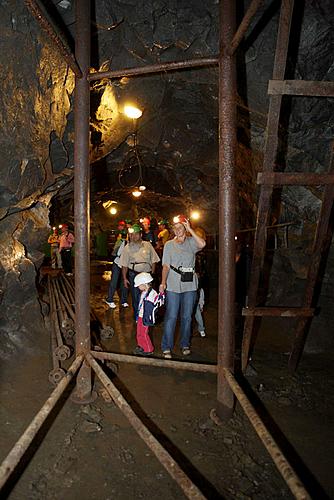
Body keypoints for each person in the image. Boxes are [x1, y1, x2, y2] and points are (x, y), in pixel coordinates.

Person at [159, 215, 206, 358]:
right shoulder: (168, 245)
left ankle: (185, 344)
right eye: (175, 227)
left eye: (181, 227)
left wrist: (190, 229)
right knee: (171, 316)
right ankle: (166, 346)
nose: (178, 230)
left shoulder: (192, 242)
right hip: (173, 283)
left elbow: (202, 244)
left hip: (190, 284)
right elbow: (166, 266)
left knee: (186, 317)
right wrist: (163, 282)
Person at [120, 223, 160, 316]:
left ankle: (148, 316)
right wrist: (125, 279)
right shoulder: (127, 248)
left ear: (140, 234)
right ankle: (137, 318)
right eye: (132, 234)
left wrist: (153, 274)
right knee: (136, 297)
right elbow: (124, 265)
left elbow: (154, 260)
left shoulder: (148, 245)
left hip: (147, 275)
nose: (134, 236)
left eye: (136, 234)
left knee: (149, 296)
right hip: (134, 274)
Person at [133, 272, 164, 356]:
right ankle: (141, 346)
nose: (138, 287)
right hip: (140, 315)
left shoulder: (152, 293)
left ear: (145, 284)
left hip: (146, 318)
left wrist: (161, 294)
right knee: (139, 333)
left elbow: (159, 302)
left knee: (144, 333)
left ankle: (148, 349)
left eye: (139, 285)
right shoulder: (144, 292)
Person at [105, 228, 129, 309]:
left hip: (125, 264)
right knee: (115, 281)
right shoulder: (121, 242)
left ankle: (124, 300)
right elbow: (115, 253)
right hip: (118, 263)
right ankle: (110, 299)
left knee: (124, 282)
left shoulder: (128, 242)